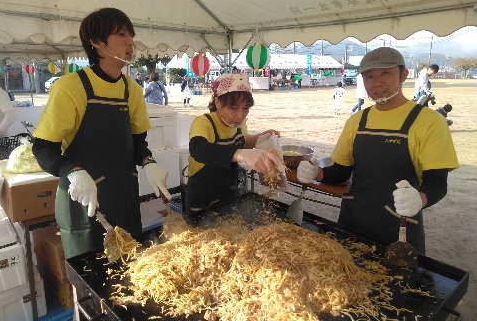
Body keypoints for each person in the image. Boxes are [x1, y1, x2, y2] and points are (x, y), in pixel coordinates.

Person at [32, 7, 172, 259]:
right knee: (89, 282)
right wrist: (72, 172)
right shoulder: (70, 87)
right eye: (121, 34)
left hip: (125, 198)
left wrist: (148, 162)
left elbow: (138, 141)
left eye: (131, 34)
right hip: (84, 204)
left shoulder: (132, 90)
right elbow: (43, 147)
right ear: (95, 42)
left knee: (130, 272)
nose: (131, 42)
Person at [297, 47, 459, 254]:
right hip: (351, 223)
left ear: (403, 75)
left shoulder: (430, 122)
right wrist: (316, 173)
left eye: (385, 73)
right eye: (369, 76)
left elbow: (437, 182)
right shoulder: (357, 121)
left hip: (400, 230)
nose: (377, 82)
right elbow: (341, 171)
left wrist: (420, 199)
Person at [184, 73, 283, 224]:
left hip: (229, 194)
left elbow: (242, 142)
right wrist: (241, 155)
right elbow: (198, 149)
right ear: (218, 103)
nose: (240, 115)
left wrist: (262, 137)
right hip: (202, 199)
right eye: (233, 107)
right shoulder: (204, 123)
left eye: (245, 108)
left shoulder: (239, 124)